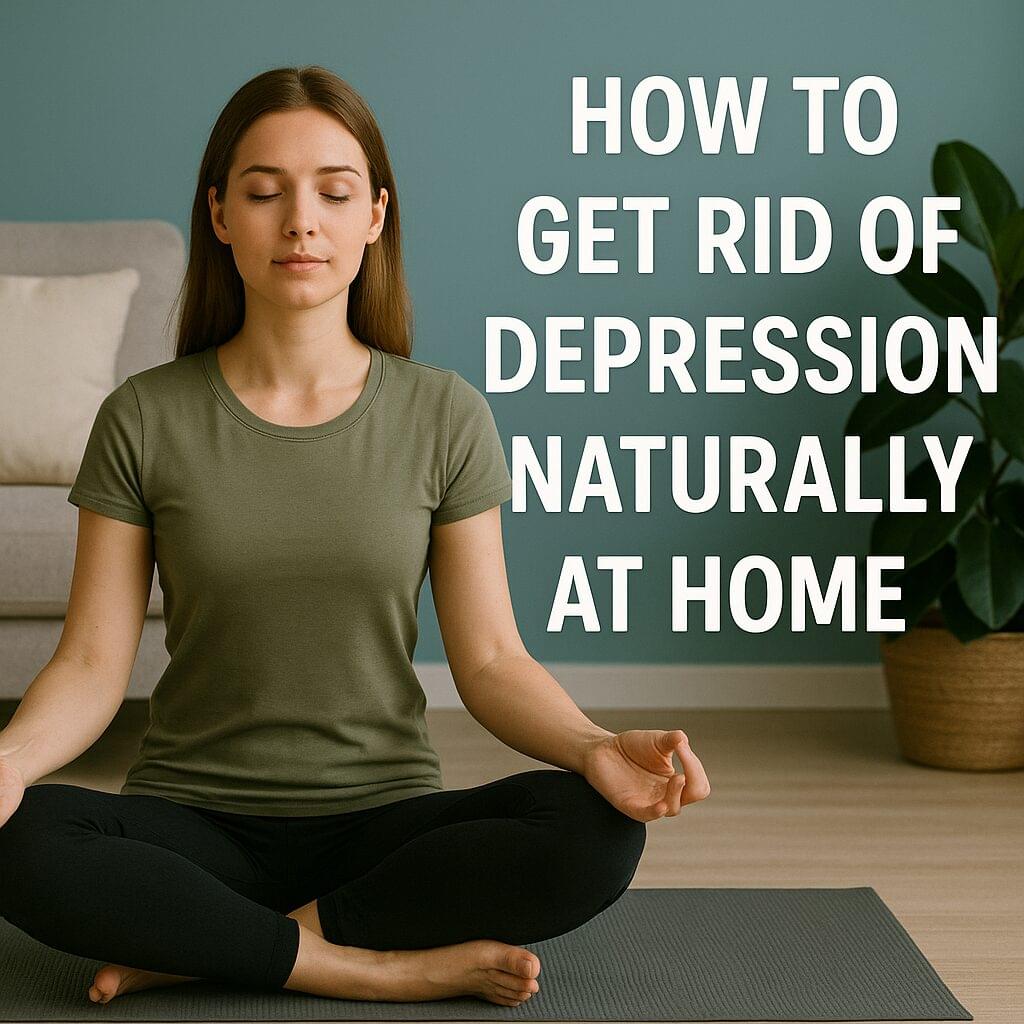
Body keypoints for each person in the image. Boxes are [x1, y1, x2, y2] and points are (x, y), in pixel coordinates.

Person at [0, 65, 711, 1008]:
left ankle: (212, 947)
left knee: (596, 831)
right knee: (22, 838)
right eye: (265, 193)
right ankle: (374, 965)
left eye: (333, 193)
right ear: (220, 216)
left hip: (383, 826)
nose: (301, 221)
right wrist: (8, 759)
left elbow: (492, 659)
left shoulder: (444, 414)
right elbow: (92, 664)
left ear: (375, 216)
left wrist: (591, 747)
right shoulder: (144, 418)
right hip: (193, 825)